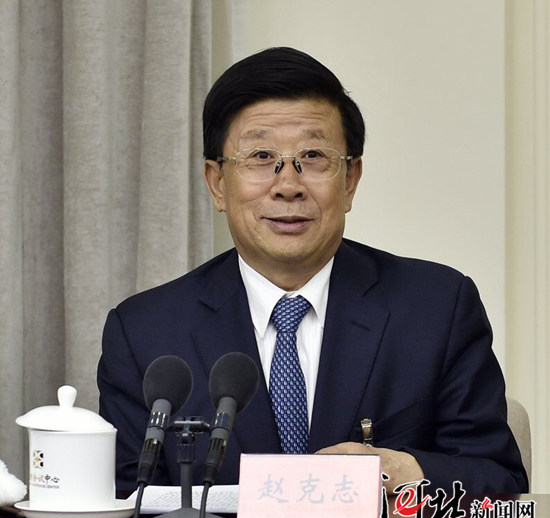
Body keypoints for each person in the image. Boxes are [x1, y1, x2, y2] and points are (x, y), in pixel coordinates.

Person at [97, 46, 528, 495]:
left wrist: (405, 472)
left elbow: (500, 483)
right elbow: (126, 506)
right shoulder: (145, 333)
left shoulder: (436, 308)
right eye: (260, 156)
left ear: (350, 181)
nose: (288, 185)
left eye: (315, 156)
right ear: (217, 183)